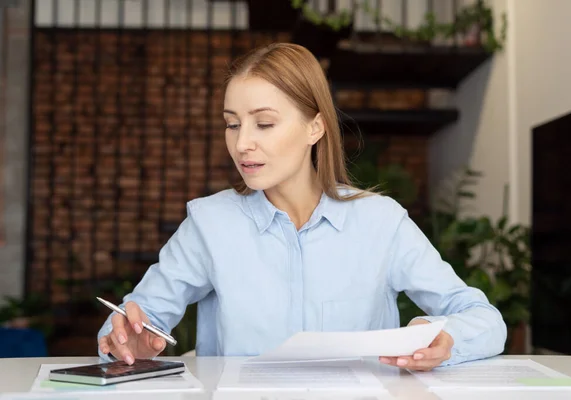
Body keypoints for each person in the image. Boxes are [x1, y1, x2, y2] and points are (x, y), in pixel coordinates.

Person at [97, 43, 507, 371]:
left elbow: (483, 318)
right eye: (232, 123)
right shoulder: (209, 224)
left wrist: (447, 338)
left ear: (315, 126)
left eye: (264, 122)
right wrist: (126, 340)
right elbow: (142, 313)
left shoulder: (382, 222)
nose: (241, 144)